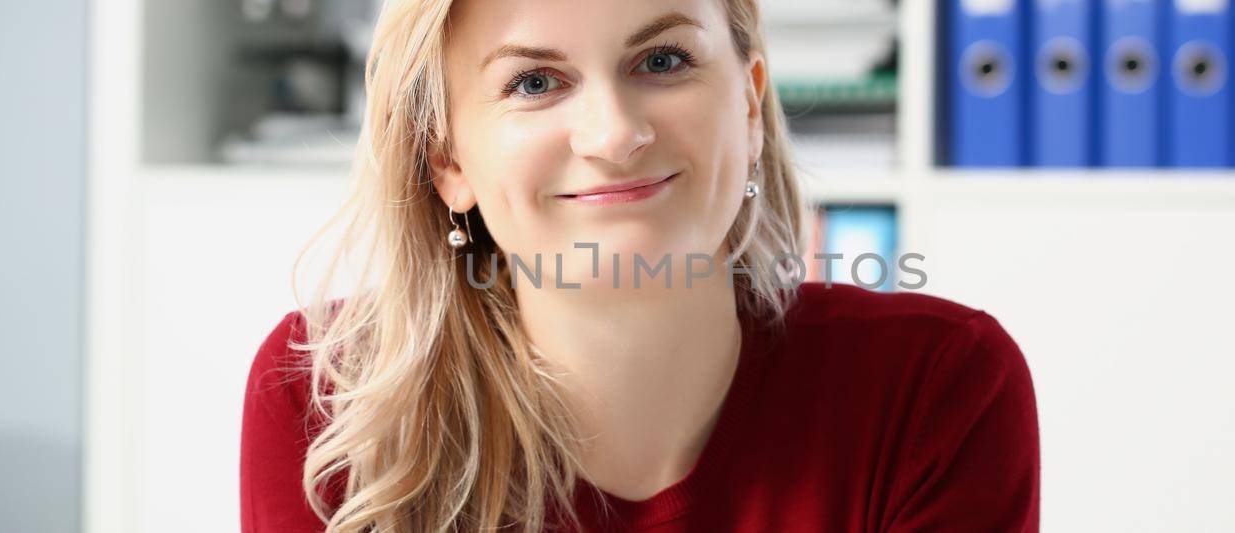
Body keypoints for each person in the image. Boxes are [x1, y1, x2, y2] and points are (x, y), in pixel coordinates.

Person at [239, 0, 1040, 531]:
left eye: (661, 62)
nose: (614, 133)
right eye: (535, 82)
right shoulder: (330, 402)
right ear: (446, 157)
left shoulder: (937, 385)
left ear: (751, 106)